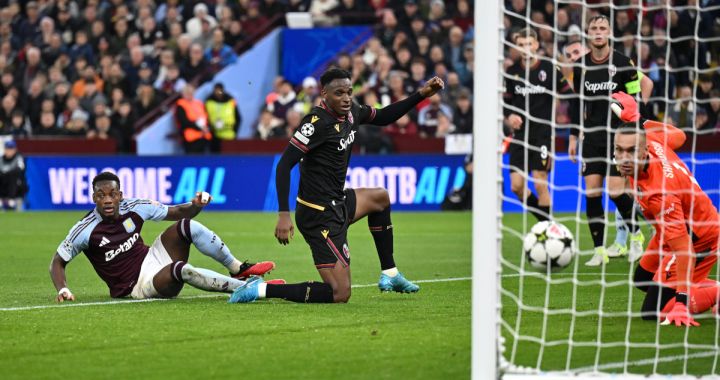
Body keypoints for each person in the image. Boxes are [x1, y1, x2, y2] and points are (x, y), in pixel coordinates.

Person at [228, 68, 444, 304]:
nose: (346, 97)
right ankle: (260, 289)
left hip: (338, 201)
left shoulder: (352, 111)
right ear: (324, 94)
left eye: (349, 92)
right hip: (317, 215)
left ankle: (390, 273)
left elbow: (384, 116)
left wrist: (421, 94)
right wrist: (283, 214)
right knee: (340, 293)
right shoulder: (315, 123)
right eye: (339, 93)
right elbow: (283, 166)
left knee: (380, 198)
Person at [49, 172, 278, 302]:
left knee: (188, 226)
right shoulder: (85, 229)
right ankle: (244, 287)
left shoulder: (135, 206)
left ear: (120, 195)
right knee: (182, 269)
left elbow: (177, 212)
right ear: (94, 198)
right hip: (137, 285)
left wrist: (195, 206)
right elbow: (57, 262)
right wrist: (63, 289)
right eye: (101, 196)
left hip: (152, 256)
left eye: (112, 194)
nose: (107, 200)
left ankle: (237, 267)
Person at [612, 92, 720, 327]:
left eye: (630, 152)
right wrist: (638, 120)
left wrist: (681, 302)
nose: (624, 158)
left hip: (699, 237)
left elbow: (684, 249)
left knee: (653, 313)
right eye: (619, 150)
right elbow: (679, 136)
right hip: (670, 229)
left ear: (643, 152)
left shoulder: (660, 194)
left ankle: (714, 293)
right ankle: (693, 286)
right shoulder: (651, 141)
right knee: (642, 279)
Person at [566, 15, 653, 266]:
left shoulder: (624, 63)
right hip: (592, 136)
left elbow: (636, 100)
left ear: (609, 32)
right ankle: (599, 250)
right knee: (592, 192)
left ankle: (636, 236)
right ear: (588, 32)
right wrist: (573, 135)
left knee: (616, 191)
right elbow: (576, 104)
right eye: (593, 28)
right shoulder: (581, 66)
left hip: (620, 137)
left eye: (602, 28)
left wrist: (640, 134)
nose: (598, 32)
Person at [504, 27, 572, 222]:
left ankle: (548, 231)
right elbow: (506, 103)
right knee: (516, 186)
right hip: (519, 135)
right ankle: (546, 222)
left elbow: (568, 93)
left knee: (540, 182)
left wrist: (567, 114)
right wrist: (510, 116)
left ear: (536, 45)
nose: (525, 48)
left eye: (528, 44)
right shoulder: (512, 71)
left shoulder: (549, 68)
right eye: (521, 45)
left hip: (542, 134)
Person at [175, 84, 212, 154]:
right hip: (191, 139)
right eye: (187, 92)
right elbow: (184, 122)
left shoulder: (199, 103)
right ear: (183, 94)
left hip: (204, 136)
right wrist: (200, 128)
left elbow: (206, 117)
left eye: (191, 92)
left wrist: (207, 127)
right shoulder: (180, 105)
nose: (190, 94)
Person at [205, 83, 241, 152]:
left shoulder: (231, 100)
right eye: (216, 91)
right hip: (214, 137)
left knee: (229, 158)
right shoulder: (208, 101)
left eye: (220, 91)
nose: (218, 93)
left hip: (230, 136)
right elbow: (205, 118)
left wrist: (235, 131)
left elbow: (238, 117)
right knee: (216, 158)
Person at [0, 140, 27, 211]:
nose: (9, 151)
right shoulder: (1, 159)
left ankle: (11, 202)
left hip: (17, 187)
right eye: (7, 149)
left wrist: (5, 173)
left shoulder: (19, 158)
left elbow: (20, 169)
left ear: (15, 149)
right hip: (3, 185)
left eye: (11, 149)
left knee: (13, 176)